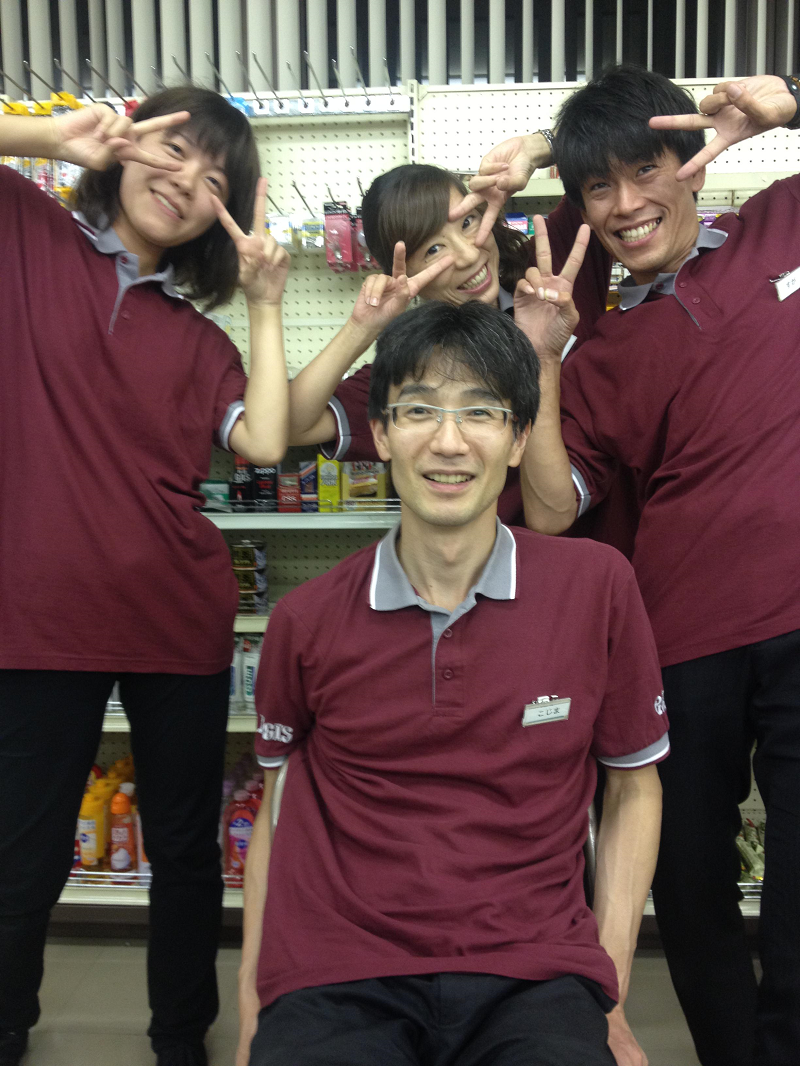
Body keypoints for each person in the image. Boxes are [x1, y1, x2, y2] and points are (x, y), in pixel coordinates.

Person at [466, 67, 800, 1066]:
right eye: (598, 188)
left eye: (645, 170)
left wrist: (790, 101)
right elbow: (553, 507)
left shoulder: (779, 226)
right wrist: (544, 358)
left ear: (692, 162)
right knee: (687, 882)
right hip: (681, 639)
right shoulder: (602, 351)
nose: (625, 205)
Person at [237, 299, 669, 1066]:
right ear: (380, 433)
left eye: (480, 411)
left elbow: (634, 787)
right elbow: (278, 803)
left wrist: (609, 990)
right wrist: (251, 1008)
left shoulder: (597, 588)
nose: (448, 441)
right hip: (341, 971)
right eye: (418, 411)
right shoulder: (306, 621)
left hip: (533, 971)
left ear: (519, 437)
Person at [0, 87, 290, 1066]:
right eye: (174, 151)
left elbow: (265, 440)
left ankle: (179, 1037)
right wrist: (48, 135)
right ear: (126, 143)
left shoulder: (200, 341)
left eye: (215, 179)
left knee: (184, 852)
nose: (185, 182)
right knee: (21, 851)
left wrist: (265, 303)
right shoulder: (27, 235)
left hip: (177, 619)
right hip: (36, 619)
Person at [287, 161, 630, 535]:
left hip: (609, 547)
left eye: (468, 223)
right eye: (434, 249)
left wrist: (536, 148)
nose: (468, 255)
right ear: (405, 273)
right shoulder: (413, 370)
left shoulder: (552, 273)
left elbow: (603, 150)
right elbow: (291, 426)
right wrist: (361, 328)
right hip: (488, 561)